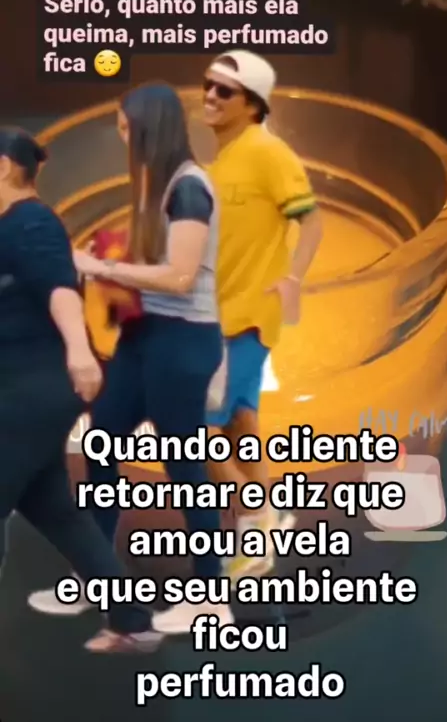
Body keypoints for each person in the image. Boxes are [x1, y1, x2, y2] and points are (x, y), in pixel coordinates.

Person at [28, 82, 232, 639]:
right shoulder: (155, 185)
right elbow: (153, 263)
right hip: (145, 336)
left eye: (126, 127)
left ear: (150, 129)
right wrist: (111, 256)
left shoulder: (189, 188)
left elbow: (181, 276)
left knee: (184, 467)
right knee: (103, 445)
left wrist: (101, 268)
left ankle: (211, 598)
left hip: (183, 341)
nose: (122, 137)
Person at [0, 126, 162, 654]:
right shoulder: (13, 225)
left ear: (3, 167)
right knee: (57, 511)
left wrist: (78, 351)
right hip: (29, 388)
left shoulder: (30, 221)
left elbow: (60, 290)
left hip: (34, 388)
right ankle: (133, 622)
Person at [203, 50, 322, 580]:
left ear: (253, 105)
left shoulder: (268, 153)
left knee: (197, 437)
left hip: (246, 319)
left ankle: (256, 528)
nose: (210, 96)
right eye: (208, 85)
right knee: (239, 423)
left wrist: (293, 277)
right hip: (217, 318)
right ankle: (266, 517)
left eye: (224, 91)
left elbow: (312, 222)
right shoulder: (221, 160)